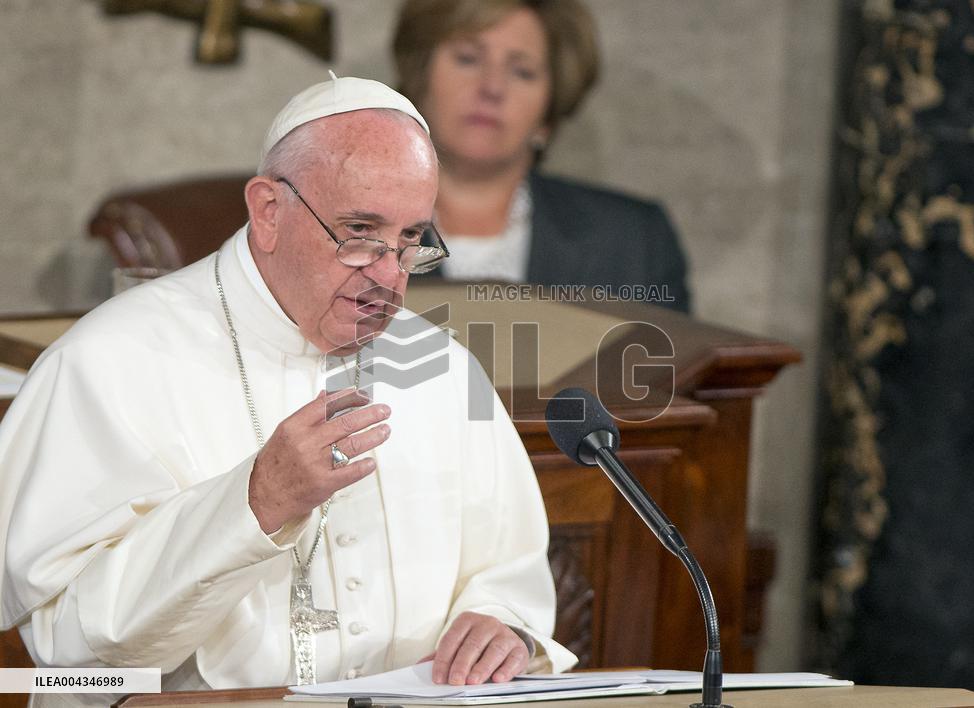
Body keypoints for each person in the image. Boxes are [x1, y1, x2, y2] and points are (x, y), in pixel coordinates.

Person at [0, 73, 575, 706]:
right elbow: (64, 655)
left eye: (411, 241)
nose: (390, 279)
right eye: (359, 234)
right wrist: (252, 503)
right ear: (269, 212)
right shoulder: (106, 361)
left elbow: (508, 568)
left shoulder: (440, 366)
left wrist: (502, 625)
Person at [392, 0, 691, 312]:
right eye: (468, 59)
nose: (492, 87)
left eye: (522, 72)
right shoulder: (348, 225)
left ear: (548, 113)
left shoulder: (633, 241)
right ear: (419, 79)